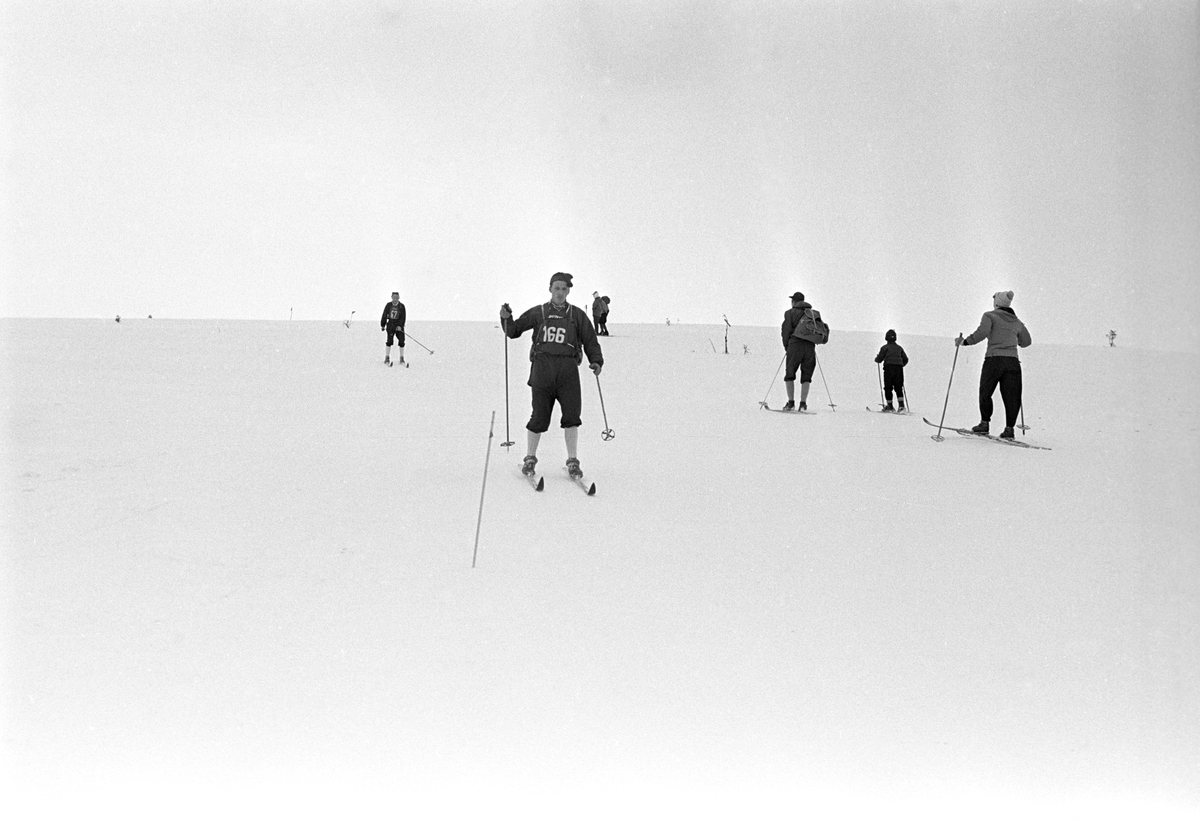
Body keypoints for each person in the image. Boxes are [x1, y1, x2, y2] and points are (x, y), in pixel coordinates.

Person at [501, 272, 603, 479]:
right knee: (539, 416)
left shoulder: (576, 315)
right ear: (550, 289)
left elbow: (590, 339)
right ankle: (530, 458)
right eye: (557, 288)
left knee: (572, 416)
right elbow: (513, 331)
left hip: (568, 371)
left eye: (564, 289)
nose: (560, 292)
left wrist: (596, 360)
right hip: (542, 370)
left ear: (568, 291)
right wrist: (506, 318)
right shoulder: (539, 312)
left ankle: (573, 461)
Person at [957, 290, 1032, 439]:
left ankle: (984, 423)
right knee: (1012, 395)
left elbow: (982, 332)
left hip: (994, 360)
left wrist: (965, 342)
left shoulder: (989, 316)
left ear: (997, 303)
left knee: (985, 391)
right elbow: (1026, 342)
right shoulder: (1017, 322)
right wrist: (1012, 338)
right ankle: (1009, 429)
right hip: (1012, 362)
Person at [780, 291, 822, 411]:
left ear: (794, 301)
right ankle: (803, 404)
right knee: (807, 376)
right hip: (810, 347)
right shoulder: (812, 314)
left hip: (795, 345)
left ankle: (791, 403)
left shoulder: (789, 313)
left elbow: (785, 330)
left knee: (790, 374)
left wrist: (786, 346)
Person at [874, 329, 909, 411]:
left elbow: (879, 359)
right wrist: (900, 365)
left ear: (886, 338)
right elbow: (906, 359)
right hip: (899, 369)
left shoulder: (885, 348)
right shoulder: (899, 348)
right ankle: (901, 406)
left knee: (888, 387)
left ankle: (889, 406)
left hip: (888, 369)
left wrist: (877, 359)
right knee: (899, 387)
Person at [380, 291, 406, 366]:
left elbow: (403, 317)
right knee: (389, 341)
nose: (395, 299)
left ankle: (401, 357)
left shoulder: (401, 306)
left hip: (399, 325)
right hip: (391, 324)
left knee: (401, 340)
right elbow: (384, 315)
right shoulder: (388, 305)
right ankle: (387, 357)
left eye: (397, 298)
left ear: (399, 298)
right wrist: (383, 324)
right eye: (394, 298)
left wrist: (400, 326)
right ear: (391, 297)